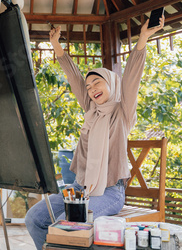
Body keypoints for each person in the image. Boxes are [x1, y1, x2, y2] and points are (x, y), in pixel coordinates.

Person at [25, 17, 165, 249]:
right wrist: (56, 45)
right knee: (35, 219)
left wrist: (142, 39)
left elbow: (132, 78)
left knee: (67, 225)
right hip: (79, 189)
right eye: (88, 87)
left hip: (109, 192)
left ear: (111, 84)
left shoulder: (123, 112)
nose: (91, 89)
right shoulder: (91, 111)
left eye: (97, 83)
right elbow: (75, 78)